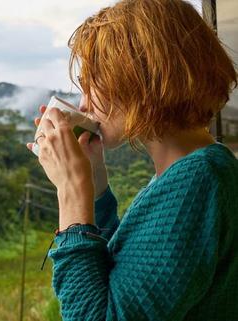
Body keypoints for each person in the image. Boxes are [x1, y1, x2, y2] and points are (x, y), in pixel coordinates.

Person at [25, 0, 238, 320]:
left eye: (90, 85)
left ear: (137, 76)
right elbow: (121, 275)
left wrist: (71, 191)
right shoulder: (189, 172)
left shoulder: (198, 181)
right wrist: (95, 185)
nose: (83, 104)